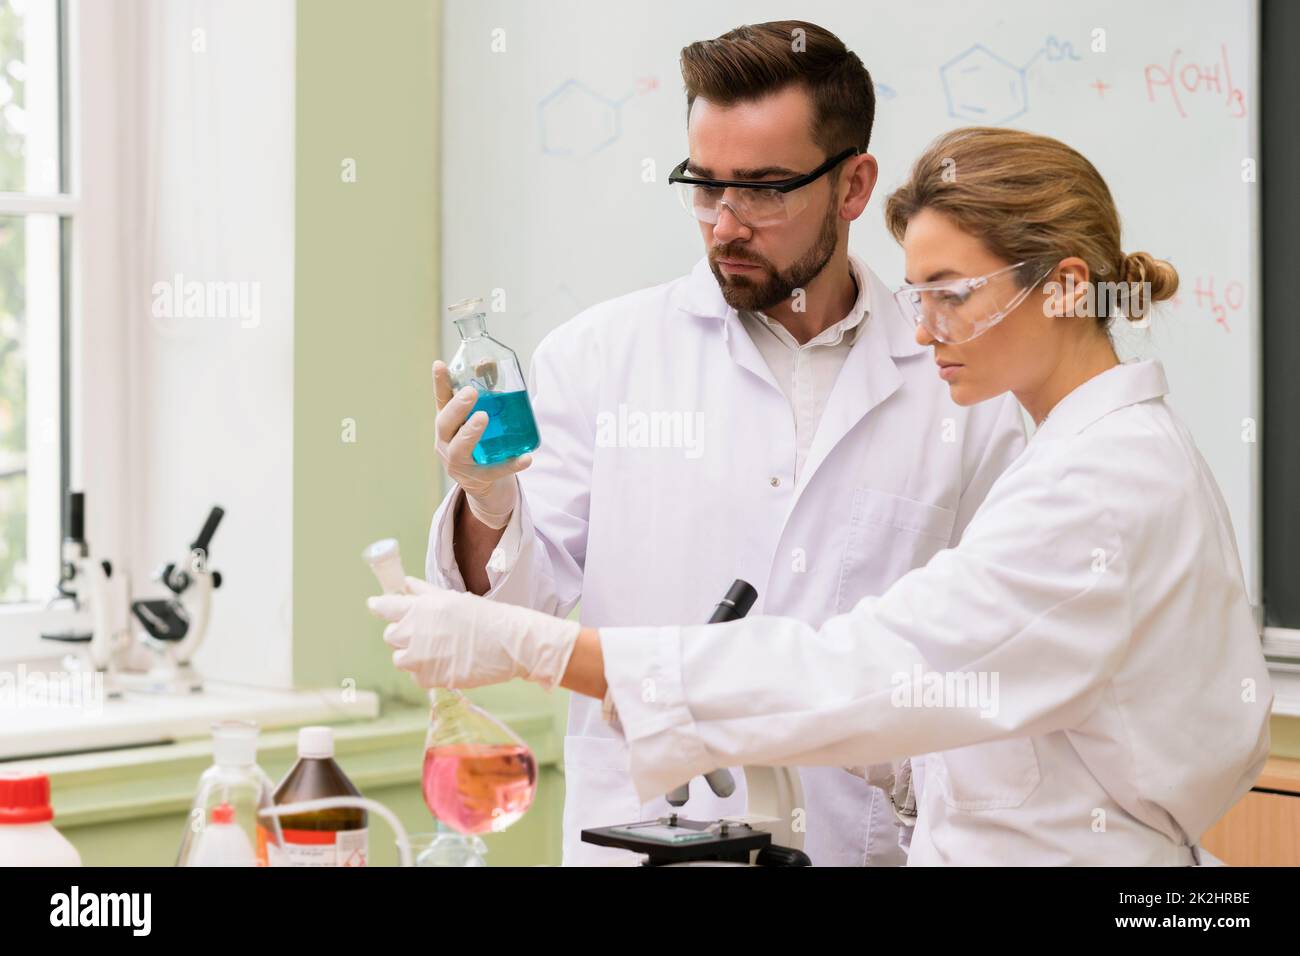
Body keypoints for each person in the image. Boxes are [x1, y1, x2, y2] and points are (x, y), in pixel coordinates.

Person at [372, 126, 1273, 866]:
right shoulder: (1081, 451)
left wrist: (551, 650)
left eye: (952, 296)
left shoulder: (1101, 482)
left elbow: (880, 663)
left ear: (1069, 287)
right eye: (918, 296)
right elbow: (1005, 692)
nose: (923, 331)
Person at [420, 21, 1026, 866]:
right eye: (705, 186)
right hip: (639, 838)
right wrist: (489, 504)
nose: (726, 225)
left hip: (860, 843)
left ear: (853, 186)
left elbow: (990, 650)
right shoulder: (601, 357)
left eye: (766, 189)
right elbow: (520, 614)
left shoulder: (963, 387)